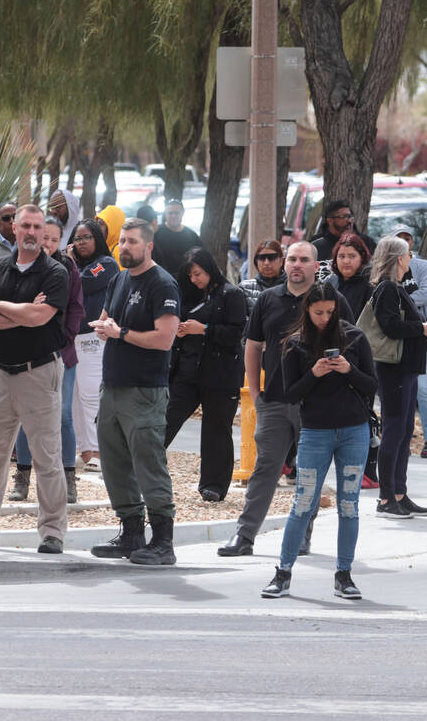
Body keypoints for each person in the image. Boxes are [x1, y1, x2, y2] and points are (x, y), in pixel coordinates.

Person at [218, 242, 354, 558]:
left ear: (314, 264)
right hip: (275, 400)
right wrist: (256, 392)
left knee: (309, 471)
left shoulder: (333, 301)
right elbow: (252, 346)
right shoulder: (268, 299)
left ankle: (302, 535)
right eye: (291, 259)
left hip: (317, 405)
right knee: (265, 468)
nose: (296, 265)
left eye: (303, 260)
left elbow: (350, 344)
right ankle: (244, 536)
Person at [0, 205, 70, 553]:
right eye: (25, 225)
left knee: (46, 458)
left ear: (44, 232)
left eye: (38, 227)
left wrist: (2, 307)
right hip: (1, 372)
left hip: (38, 373)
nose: (32, 232)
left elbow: (40, 318)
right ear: (14, 228)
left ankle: (53, 532)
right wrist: (19, 310)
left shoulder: (56, 272)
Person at [260, 282, 374, 600]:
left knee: (348, 505)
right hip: (315, 432)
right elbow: (291, 393)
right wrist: (315, 373)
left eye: (330, 311)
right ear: (307, 310)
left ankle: (344, 574)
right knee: (302, 503)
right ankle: (282, 573)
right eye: (318, 312)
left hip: (354, 431)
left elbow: (371, 385)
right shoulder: (295, 344)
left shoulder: (355, 337)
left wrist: (349, 369)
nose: (325, 318)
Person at [89, 217, 181, 565]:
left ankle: (162, 540)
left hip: (144, 391)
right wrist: (104, 327)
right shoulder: (118, 279)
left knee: (148, 464)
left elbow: (165, 338)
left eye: (131, 241)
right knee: (114, 464)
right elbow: (106, 318)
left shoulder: (163, 284)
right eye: (122, 241)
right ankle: (131, 534)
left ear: (149, 246)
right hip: (111, 386)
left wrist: (120, 333)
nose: (124, 246)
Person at [367, 236, 427, 519]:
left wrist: (423, 325)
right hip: (394, 369)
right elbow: (390, 326)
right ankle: (386, 498)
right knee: (394, 431)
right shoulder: (388, 288)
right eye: (408, 255)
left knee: (403, 432)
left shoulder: (397, 286)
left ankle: (399, 492)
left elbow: (407, 314)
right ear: (399, 258)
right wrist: (422, 329)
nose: (411, 259)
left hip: (407, 368)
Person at [8, 217, 84, 503]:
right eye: (45, 238)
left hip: (62, 353)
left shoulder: (68, 268)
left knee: (63, 415)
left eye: (55, 239)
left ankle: (68, 477)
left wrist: (65, 341)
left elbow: (77, 309)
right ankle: (23, 476)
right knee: (26, 417)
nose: (49, 244)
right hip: (26, 353)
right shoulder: (20, 265)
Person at [163, 247, 247, 501]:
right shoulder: (188, 294)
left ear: (210, 269)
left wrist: (204, 329)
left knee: (216, 432)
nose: (195, 279)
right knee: (165, 421)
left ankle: (214, 485)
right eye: (190, 275)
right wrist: (182, 331)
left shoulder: (232, 295)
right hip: (187, 371)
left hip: (220, 374)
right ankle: (141, 471)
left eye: (198, 273)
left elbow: (235, 334)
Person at [68, 219, 119, 471]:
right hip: (71, 338)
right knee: (76, 398)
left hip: (93, 338)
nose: (81, 242)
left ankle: (100, 450)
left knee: (90, 395)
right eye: (77, 238)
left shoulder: (106, 264)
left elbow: (84, 282)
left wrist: (68, 264)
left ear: (97, 238)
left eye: (86, 237)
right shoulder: (73, 265)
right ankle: (85, 451)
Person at [392, 224, 427, 459]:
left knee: (421, 388)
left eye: (407, 238)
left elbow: (425, 294)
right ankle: (403, 437)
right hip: (394, 334)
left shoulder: (423, 266)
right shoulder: (387, 268)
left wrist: (396, 300)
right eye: (398, 238)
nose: (403, 242)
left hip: (422, 334)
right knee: (399, 389)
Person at [311, 199, 376, 262]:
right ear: (330, 220)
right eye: (344, 217)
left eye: (350, 216)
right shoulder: (316, 245)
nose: (349, 220)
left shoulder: (366, 242)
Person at [153, 198, 202, 278]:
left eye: (177, 213)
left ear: (182, 213)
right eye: (170, 213)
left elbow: (200, 260)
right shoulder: (156, 233)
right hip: (160, 280)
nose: (173, 216)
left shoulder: (192, 236)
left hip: (187, 281)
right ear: (165, 213)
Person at [326, 232, 373, 315]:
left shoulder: (370, 285)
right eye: (341, 256)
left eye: (352, 256)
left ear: (362, 257)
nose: (346, 261)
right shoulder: (330, 283)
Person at [239, 239, 285, 309]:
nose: (266, 263)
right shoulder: (245, 288)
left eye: (271, 258)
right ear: (256, 261)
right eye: (262, 258)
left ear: (281, 261)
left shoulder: (292, 287)